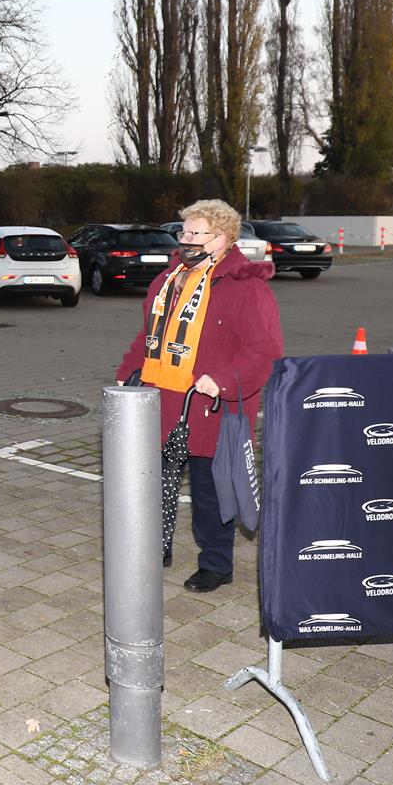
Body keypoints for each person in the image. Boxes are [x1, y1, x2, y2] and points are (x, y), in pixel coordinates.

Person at [116, 199, 282, 593]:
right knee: (153, 484)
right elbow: (149, 335)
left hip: (209, 407)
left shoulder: (246, 288)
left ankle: (216, 564)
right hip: (159, 401)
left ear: (221, 238)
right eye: (183, 232)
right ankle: (154, 548)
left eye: (195, 233)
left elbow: (264, 351)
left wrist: (222, 381)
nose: (185, 239)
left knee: (211, 492)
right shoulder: (168, 279)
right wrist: (126, 372)